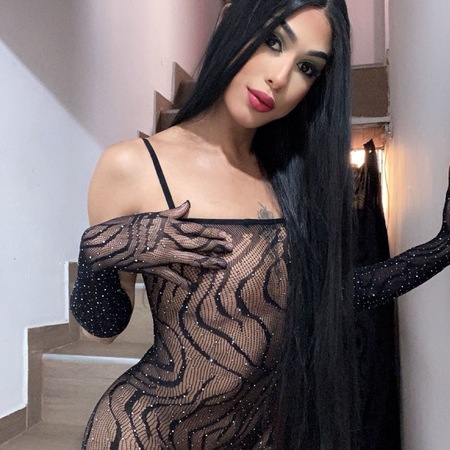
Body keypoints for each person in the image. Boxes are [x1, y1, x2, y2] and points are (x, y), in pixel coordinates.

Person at [70, 0, 450, 448]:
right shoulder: (132, 165)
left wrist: (440, 248)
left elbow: (328, 298)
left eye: (307, 68)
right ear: (230, 20)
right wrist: (97, 255)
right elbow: (103, 331)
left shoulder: (287, 177)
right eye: (273, 41)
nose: (280, 77)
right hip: (144, 434)